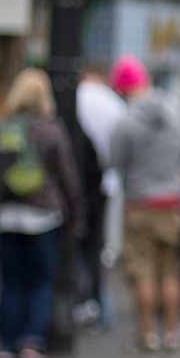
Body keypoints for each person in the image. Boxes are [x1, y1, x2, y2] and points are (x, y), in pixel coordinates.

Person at [0, 69, 85, 358]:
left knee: (11, 281)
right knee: (41, 280)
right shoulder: (51, 130)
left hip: (7, 215)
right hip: (43, 215)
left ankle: (6, 344)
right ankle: (32, 341)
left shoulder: (5, 127)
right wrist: (75, 212)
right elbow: (68, 177)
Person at [108, 55, 180, 353]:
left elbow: (114, 162)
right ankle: (172, 332)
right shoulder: (175, 114)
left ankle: (147, 333)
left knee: (142, 272)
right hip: (171, 202)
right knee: (170, 271)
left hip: (140, 203)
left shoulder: (127, 122)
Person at [70, 64, 125, 330]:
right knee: (96, 246)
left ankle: (80, 301)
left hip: (77, 184)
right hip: (105, 184)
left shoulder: (75, 96)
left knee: (74, 244)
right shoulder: (113, 103)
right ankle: (99, 305)